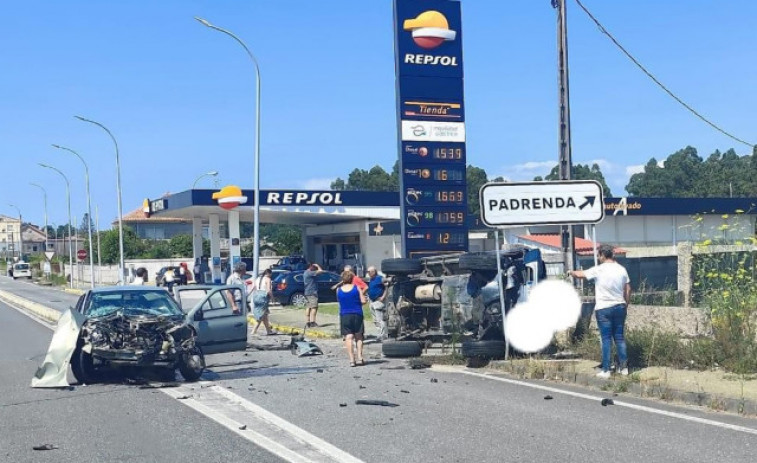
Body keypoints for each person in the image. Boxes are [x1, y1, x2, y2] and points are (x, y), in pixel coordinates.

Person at [569, 244, 631, 378]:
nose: (598, 257)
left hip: (604, 308)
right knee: (619, 338)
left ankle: (606, 369)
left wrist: (571, 272)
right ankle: (624, 368)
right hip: (619, 306)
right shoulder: (622, 269)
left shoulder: (599, 269)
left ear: (602, 255)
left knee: (606, 339)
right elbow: (628, 289)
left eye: (599, 255)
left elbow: (581, 275)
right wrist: (625, 305)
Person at [337, 270, 366, 367]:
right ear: (352, 279)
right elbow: (363, 301)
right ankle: (360, 357)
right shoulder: (357, 288)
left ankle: (351, 360)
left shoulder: (338, 290)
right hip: (357, 313)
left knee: (348, 337)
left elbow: (340, 301)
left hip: (345, 314)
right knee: (359, 336)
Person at [252, 268, 278, 335]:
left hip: (256, 296)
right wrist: (272, 298)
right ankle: (254, 331)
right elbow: (269, 290)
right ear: (269, 274)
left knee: (265, 315)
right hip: (263, 297)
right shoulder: (268, 279)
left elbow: (253, 287)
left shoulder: (258, 279)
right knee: (261, 315)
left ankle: (268, 331)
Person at [366, 266, 388, 341]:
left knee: (380, 319)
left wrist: (383, 297)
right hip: (372, 301)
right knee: (375, 320)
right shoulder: (371, 279)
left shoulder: (380, 278)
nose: (368, 273)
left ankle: (383, 335)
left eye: (369, 272)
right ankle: (379, 334)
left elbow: (386, 287)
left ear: (373, 272)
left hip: (378, 301)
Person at [303, 263, 325, 327]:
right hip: (312, 292)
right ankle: (313, 322)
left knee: (308, 307)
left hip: (307, 292)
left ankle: (308, 322)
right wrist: (318, 266)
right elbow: (321, 271)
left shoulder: (305, 272)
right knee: (314, 307)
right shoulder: (310, 273)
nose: (314, 268)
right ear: (310, 267)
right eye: (313, 267)